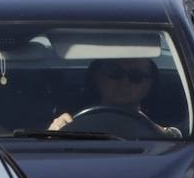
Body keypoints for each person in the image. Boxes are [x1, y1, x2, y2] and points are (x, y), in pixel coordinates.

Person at [48, 58, 181, 137]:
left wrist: (162, 132)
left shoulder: (171, 116)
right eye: (114, 72)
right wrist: (52, 135)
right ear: (97, 76)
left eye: (136, 76)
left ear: (150, 84)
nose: (124, 82)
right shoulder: (67, 113)